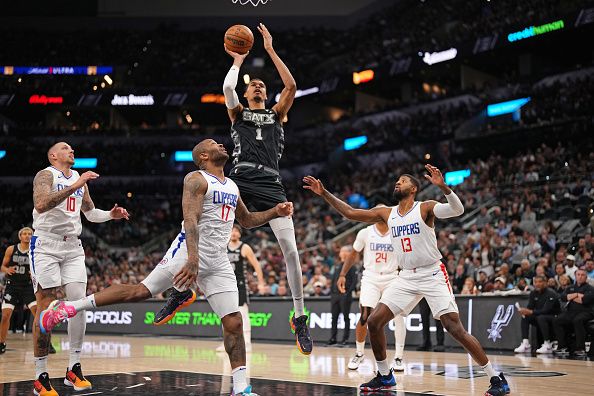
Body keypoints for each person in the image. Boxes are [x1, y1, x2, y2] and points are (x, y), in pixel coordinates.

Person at [39, 139, 293, 396]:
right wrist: (192, 260)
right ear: (204, 155)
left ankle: (240, 389)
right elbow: (190, 220)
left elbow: (247, 220)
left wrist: (275, 211)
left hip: (218, 261)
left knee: (234, 322)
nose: (222, 145)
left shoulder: (232, 185)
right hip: (187, 252)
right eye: (215, 144)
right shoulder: (196, 178)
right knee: (139, 292)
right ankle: (70, 308)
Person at [303, 165, 509, 395]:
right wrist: (324, 193)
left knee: (454, 328)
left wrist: (443, 187)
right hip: (405, 277)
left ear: (414, 188)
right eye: (397, 181)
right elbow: (350, 213)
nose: (397, 183)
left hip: (431, 273)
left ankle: (496, 377)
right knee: (373, 321)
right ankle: (384, 375)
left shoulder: (425, 208)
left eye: (402, 181)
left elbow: (457, 210)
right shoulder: (387, 213)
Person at [220, 23, 312, 354]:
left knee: (290, 249)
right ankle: (179, 285)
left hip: (271, 181)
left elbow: (291, 85)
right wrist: (238, 61)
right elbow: (228, 89)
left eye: (262, 85)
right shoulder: (238, 113)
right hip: (241, 178)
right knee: (207, 225)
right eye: (254, 86)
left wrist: (270, 50)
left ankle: (299, 316)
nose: (258, 87)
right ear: (247, 94)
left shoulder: (276, 115)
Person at [30, 142, 129, 396]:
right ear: (53, 155)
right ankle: (40, 376)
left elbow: (90, 212)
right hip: (45, 245)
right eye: (65, 148)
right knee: (46, 307)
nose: (71, 151)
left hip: (73, 247)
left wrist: (110, 215)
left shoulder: (77, 178)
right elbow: (41, 204)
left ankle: (73, 368)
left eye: (72, 148)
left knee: (78, 304)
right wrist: (75, 185)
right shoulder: (46, 175)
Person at [339, 220, 407, 371]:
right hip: (371, 277)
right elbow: (353, 254)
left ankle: (398, 357)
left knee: (399, 316)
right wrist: (342, 274)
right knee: (365, 316)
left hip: (392, 277)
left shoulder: (397, 232)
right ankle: (359, 353)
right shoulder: (365, 232)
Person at [216, 224, 266, 352]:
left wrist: (260, 282)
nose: (234, 233)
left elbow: (256, 265)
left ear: (240, 233)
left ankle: (247, 343)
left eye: (236, 231)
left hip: (240, 285)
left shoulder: (245, 247)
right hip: (225, 284)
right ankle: (227, 343)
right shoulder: (223, 246)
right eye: (232, 230)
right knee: (225, 314)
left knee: (243, 313)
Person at [1, 228, 37, 353]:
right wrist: (7, 270)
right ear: (20, 236)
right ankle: (1, 343)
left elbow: (40, 269)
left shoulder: (36, 250)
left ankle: (45, 342)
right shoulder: (11, 249)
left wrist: (34, 273)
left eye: (30, 234)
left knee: (38, 315)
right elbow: (2, 266)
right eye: (25, 234)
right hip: (12, 286)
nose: (27, 236)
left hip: (28, 287)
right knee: (5, 316)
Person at [513, 275, 560, 354]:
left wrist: (530, 312)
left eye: (540, 282)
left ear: (545, 283)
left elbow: (546, 310)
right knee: (525, 317)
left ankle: (547, 344)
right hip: (540, 316)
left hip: (554, 316)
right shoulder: (533, 293)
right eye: (535, 282)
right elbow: (530, 308)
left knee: (541, 317)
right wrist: (525, 311)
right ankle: (526, 344)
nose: (537, 284)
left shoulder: (551, 293)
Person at [552, 269, 594, 357]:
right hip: (571, 312)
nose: (580, 276)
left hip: (586, 312)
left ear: (586, 277)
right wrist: (577, 295)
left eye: (582, 275)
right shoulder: (570, 287)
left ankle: (580, 348)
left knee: (577, 320)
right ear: (575, 276)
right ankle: (562, 346)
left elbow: (585, 300)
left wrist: (570, 297)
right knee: (557, 320)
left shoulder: (590, 288)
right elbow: (562, 297)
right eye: (578, 274)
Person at [327, 246, 356, 347]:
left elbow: (354, 281)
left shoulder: (351, 266)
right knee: (334, 318)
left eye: (344, 251)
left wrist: (347, 293)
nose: (342, 253)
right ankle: (333, 338)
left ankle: (345, 339)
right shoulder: (337, 266)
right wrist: (332, 292)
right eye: (341, 251)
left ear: (349, 253)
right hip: (335, 295)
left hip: (344, 295)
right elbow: (333, 280)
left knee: (345, 317)